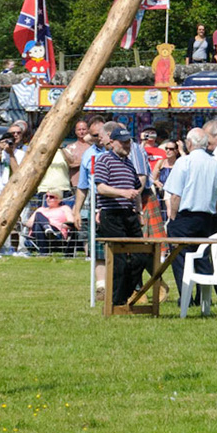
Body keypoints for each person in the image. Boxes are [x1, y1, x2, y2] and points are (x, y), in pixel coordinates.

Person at [162, 127, 217, 288]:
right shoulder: (215, 164)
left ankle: (186, 295)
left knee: (180, 258)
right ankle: (204, 296)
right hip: (206, 217)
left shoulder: (184, 161)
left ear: (189, 143)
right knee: (202, 257)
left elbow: (175, 195)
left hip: (185, 216)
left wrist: (173, 218)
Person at [92, 123, 147, 307]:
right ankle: (116, 302)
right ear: (113, 142)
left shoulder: (129, 163)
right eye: (123, 143)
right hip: (112, 215)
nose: (126, 146)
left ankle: (123, 294)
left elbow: (135, 191)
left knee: (141, 256)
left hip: (129, 214)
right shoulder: (104, 160)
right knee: (119, 261)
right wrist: (122, 193)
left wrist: (139, 212)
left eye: (128, 142)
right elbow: (101, 188)